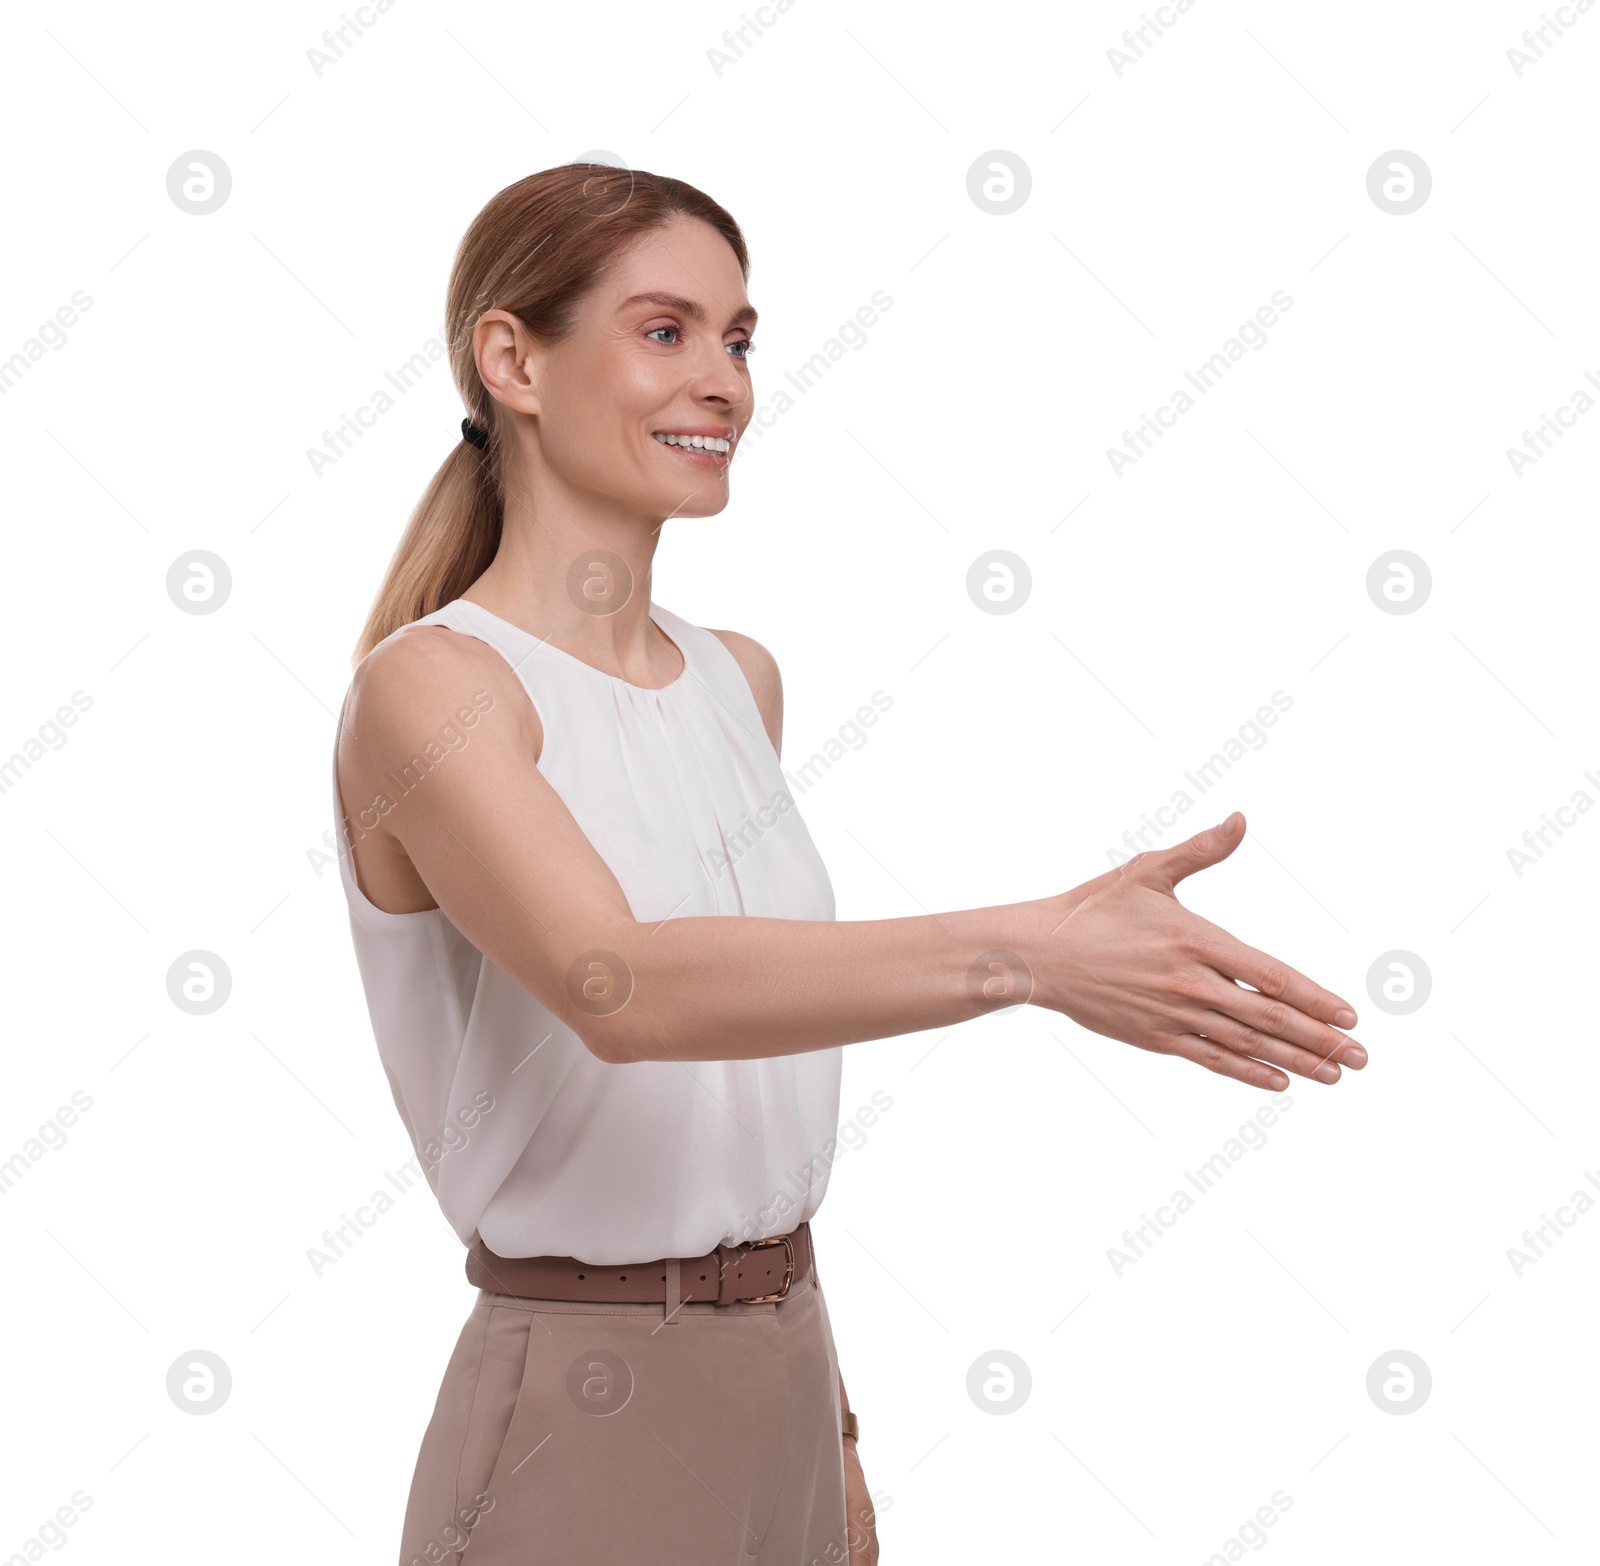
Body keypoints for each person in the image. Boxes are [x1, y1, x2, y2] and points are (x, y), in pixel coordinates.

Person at [331, 163, 1368, 1566]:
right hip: (583, 1396)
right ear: (511, 357)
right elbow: (623, 987)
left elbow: (743, 1100)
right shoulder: (436, 692)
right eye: (665, 330)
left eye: (740, 338)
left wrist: (831, 1429)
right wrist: (1031, 952)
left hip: (785, 1362)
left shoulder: (736, 681)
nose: (725, 383)